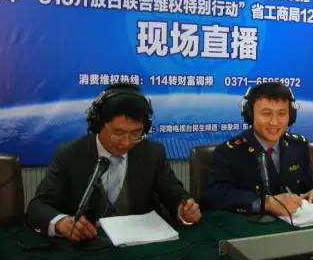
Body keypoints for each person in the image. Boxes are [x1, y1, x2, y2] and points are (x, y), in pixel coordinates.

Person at [26, 83, 201, 241]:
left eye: (136, 133)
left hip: (141, 248)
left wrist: (183, 209)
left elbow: (173, 194)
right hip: (87, 247)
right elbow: (38, 207)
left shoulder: (153, 152)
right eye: (118, 133)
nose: (126, 142)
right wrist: (61, 223)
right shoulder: (70, 154)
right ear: (97, 125)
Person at [205, 82, 313, 216]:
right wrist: (266, 203)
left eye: (282, 113)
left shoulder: (298, 146)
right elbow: (216, 195)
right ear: (250, 115)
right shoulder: (229, 152)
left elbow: (311, 183)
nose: (274, 122)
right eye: (266, 113)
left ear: (291, 116)